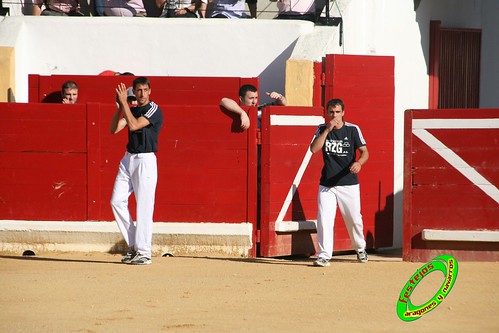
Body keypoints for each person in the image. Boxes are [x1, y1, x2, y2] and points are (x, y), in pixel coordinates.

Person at [109, 77, 164, 265]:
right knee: (116, 201)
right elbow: (114, 129)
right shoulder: (131, 109)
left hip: (145, 160)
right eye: (138, 90)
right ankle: (134, 246)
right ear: (134, 91)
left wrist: (124, 103)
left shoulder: (153, 109)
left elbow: (133, 125)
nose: (141, 94)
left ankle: (144, 252)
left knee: (144, 206)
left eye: (144, 90)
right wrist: (119, 108)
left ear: (150, 91)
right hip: (128, 158)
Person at [310, 98, 369, 267]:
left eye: (337, 112)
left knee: (353, 218)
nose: (334, 115)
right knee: (324, 219)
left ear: (343, 112)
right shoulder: (322, 129)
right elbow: (314, 149)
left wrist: (359, 163)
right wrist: (327, 130)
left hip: (348, 183)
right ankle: (324, 255)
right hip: (327, 183)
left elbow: (365, 152)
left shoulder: (352, 129)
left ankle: (360, 248)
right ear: (327, 113)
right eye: (331, 112)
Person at [219, 84, 287, 130]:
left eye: (256, 98)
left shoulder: (260, 108)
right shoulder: (236, 108)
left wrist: (279, 97)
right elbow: (223, 100)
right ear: (241, 99)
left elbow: (282, 104)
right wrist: (242, 113)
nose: (254, 102)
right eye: (251, 98)